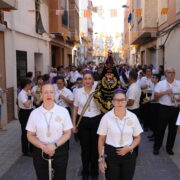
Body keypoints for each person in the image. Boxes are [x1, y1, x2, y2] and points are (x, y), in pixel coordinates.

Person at [26, 84, 73, 180]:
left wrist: (54, 145)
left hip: (60, 150)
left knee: (60, 177)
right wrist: (42, 146)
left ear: (55, 94)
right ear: (41, 95)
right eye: (45, 92)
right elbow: (30, 135)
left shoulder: (63, 111)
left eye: (51, 92)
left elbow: (67, 133)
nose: (48, 95)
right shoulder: (34, 113)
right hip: (40, 151)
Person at [97, 91, 143, 180]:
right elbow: (101, 139)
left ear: (126, 102)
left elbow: (137, 137)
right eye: (117, 100)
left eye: (122, 100)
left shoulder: (133, 117)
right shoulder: (106, 117)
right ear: (112, 102)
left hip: (128, 153)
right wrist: (101, 159)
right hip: (111, 154)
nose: (120, 102)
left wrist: (130, 147)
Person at [72, 72, 102, 180]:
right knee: (85, 149)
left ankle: (95, 173)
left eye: (89, 78)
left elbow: (103, 107)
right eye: (85, 79)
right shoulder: (78, 92)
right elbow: (75, 109)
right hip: (83, 121)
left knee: (95, 148)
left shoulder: (98, 91)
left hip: (96, 120)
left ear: (93, 80)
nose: (87, 81)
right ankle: (85, 172)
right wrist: (74, 125)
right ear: (83, 81)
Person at [153, 68, 180, 155]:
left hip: (175, 109)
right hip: (163, 109)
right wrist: (165, 92)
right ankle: (157, 147)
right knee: (160, 129)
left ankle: (169, 148)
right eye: (169, 72)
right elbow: (156, 97)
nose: (171, 74)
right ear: (165, 74)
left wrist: (178, 99)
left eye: (173, 72)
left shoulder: (178, 83)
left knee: (173, 130)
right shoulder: (161, 84)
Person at [18, 78, 34, 156]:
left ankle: (32, 149)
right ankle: (25, 151)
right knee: (25, 132)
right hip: (24, 113)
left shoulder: (28, 92)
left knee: (31, 131)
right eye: (30, 84)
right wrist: (30, 97)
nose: (32, 85)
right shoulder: (22, 93)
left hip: (30, 112)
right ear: (27, 85)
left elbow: (32, 103)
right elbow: (27, 105)